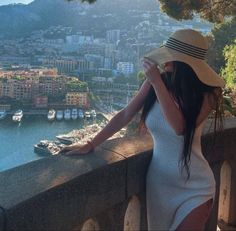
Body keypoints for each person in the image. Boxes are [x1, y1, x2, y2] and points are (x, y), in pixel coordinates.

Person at [59, 29, 225, 231]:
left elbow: (180, 128)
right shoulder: (157, 82)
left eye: (170, 55)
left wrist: (156, 82)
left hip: (196, 187)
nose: (164, 60)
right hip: (159, 186)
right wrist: (91, 143)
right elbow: (126, 114)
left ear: (185, 62)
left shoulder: (207, 94)